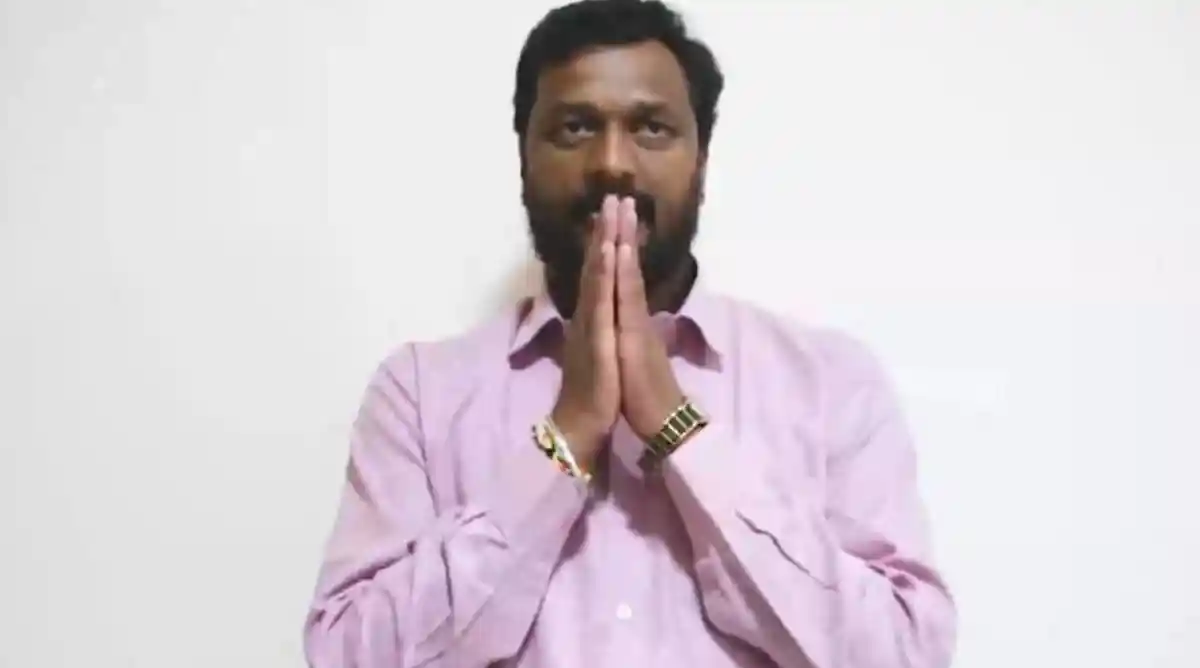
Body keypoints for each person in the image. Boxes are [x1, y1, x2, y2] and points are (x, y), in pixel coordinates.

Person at [303, 1, 957, 666]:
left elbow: (903, 652)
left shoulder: (831, 384)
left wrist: (676, 427)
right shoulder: (420, 394)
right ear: (523, 157)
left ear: (701, 160)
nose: (613, 164)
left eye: (651, 128)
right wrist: (567, 436)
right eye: (575, 127)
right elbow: (347, 656)